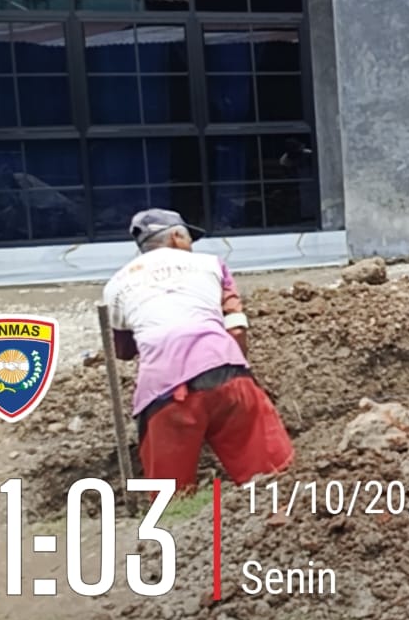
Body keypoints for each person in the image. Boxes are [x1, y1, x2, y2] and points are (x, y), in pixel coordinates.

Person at [102, 209, 294, 492]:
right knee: (272, 478)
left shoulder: (115, 286)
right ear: (176, 237)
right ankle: (277, 511)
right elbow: (236, 327)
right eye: (189, 239)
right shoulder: (211, 265)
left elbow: (123, 350)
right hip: (225, 371)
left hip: (163, 392)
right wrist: (241, 373)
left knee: (170, 497)